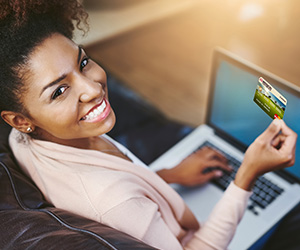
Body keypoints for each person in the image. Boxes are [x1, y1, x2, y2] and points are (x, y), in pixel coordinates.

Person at [0, 1, 297, 249]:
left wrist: (167, 175)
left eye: (83, 62)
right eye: (59, 91)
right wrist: (246, 176)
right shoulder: (115, 201)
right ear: (19, 120)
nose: (92, 88)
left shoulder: (23, 137)